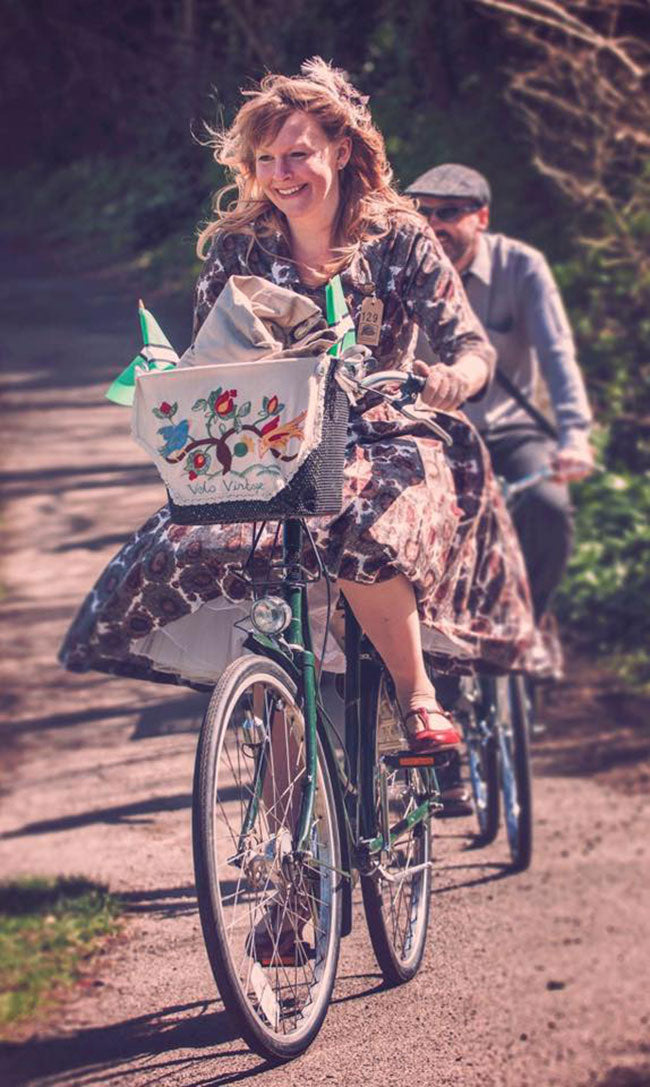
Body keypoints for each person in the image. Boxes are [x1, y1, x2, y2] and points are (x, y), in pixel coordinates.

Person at [60, 61, 536, 757]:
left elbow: (471, 346)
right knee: (210, 550)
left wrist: (453, 379)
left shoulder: (399, 238)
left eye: (299, 154)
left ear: (339, 152)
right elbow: (212, 367)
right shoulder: (238, 248)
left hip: (386, 431)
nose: (283, 173)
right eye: (267, 160)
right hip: (271, 441)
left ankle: (418, 698)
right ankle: (287, 840)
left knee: (364, 528)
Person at [406, 163, 595, 629]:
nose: (433, 224)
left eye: (448, 212)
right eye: (422, 211)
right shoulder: (404, 266)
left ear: (482, 218)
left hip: (511, 432)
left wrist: (574, 436)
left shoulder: (521, 266)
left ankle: (530, 616)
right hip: (435, 436)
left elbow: (557, 354)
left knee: (549, 507)